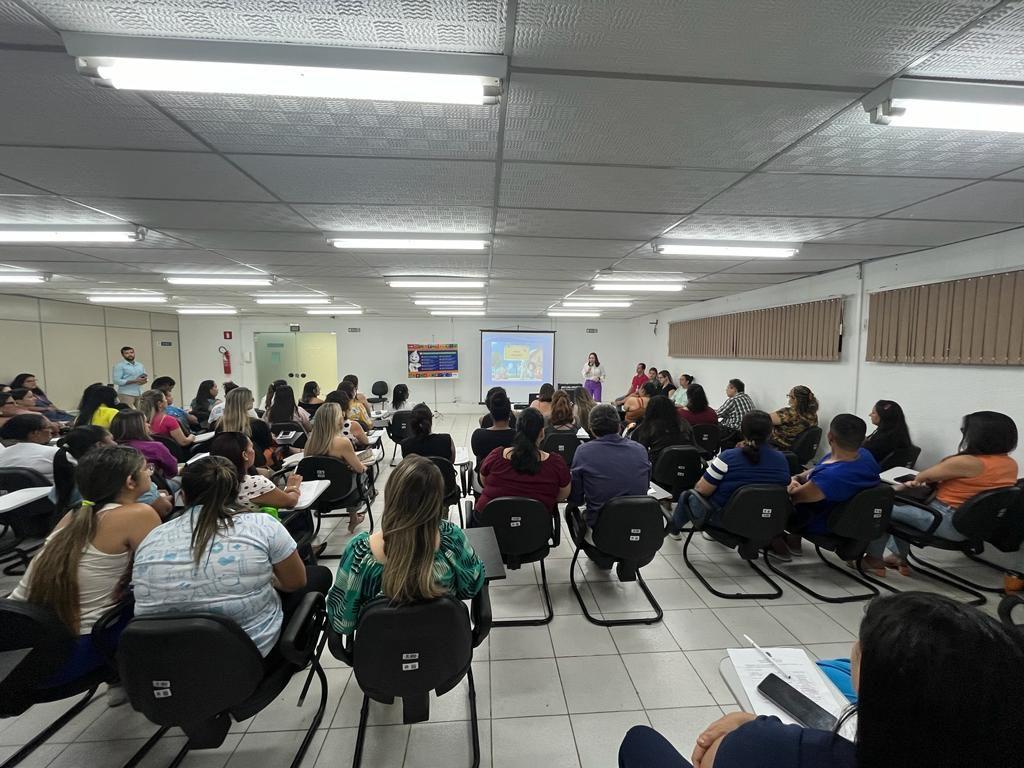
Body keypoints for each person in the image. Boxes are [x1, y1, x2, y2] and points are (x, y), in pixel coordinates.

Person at [617, 591, 1024, 768]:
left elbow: (709, 758)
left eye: (859, 651)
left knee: (639, 740)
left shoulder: (783, 750)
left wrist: (754, 729)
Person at [132, 456, 332, 660]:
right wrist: (268, 579)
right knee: (318, 575)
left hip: (165, 661)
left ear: (183, 495)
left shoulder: (152, 537)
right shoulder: (262, 525)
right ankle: (294, 654)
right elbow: (295, 582)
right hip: (245, 659)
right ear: (237, 492)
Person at [9, 447, 161, 691]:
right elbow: (160, 575)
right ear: (130, 481)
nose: (150, 473)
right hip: (74, 653)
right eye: (146, 469)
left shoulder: (73, 515)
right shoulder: (139, 514)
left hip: (20, 653)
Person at [327, 456, 484, 636]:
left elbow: (342, 622)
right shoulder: (452, 539)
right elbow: (471, 587)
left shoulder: (359, 555)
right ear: (437, 501)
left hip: (382, 652)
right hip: (443, 648)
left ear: (391, 495)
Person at [864, 411, 1018, 575]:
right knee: (901, 508)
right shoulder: (1010, 464)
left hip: (944, 520)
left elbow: (923, 476)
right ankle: (898, 557)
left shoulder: (967, 462)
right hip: (974, 526)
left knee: (879, 508)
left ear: (977, 436)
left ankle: (874, 559)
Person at [781, 414, 881, 560]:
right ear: (863, 438)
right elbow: (817, 470)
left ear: (830, 437)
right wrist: (797, 477)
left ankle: (775, 543)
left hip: (822, 523)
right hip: (849, 518)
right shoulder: (865, 456)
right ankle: (793, 542)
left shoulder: (830, 478)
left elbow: (794, 497)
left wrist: (790, 483)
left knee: (774, 498)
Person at [671, 410, 790, 532]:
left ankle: (673, 530)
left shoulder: (728, 457)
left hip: (724, 519)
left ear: (743, 432)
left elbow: (702, 490)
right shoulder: (782, 459)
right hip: (764, 520)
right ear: (771, 432)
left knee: (687, 495)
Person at [568, 404, 652, 577]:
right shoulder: (640, 450)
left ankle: (601, 557)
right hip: (641, 528)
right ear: (619, 426)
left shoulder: (584, 451)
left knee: (570, 511)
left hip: (603, 533)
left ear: (591, 429)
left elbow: (576, 497)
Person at [474, 407, 571, 521]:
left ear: (517, 430)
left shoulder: (496, 456)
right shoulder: (556, 464)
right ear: (542, 433)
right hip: (535, 526)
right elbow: (563, 495)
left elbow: (483, 481)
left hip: (489, 524)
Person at [209, 432, 303, 511]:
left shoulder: (210, 482)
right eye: (251, 447)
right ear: (245, 455)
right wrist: (292, 486)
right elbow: (291, 502)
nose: (254, 451)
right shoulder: (254, 484)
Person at [52, 425, 115, 513]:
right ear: (99, 445)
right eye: (112, 440)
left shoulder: (66, 473)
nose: (115, 443)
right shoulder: (101, 479)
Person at [109, 410, 180, 485]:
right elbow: (173, 470)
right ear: (136, 427)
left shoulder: (109, 450)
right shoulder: (155, 447)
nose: (149, 425)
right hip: (153, 486)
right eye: (145, 422)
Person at [217, 387, 275, 469]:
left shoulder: (219, 426)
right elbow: (268, 445)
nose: (253, 400)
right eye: (251, 398)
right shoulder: (258, 425)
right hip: (257, 467)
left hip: (228, 468)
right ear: (244, 402)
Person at [305, 402, 368, 476]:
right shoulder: (343, 442)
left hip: (318, 482)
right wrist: (363, 467)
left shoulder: (310, 442)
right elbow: (359, 469)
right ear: (338, 420)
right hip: (342, 482)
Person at [631, 395, 694, 466]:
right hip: (686, 465)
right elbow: (693, 444)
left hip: (658, 467)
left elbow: (639, 451)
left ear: (650, 410)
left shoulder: (648, 427)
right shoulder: (684, 423)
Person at [0, 414, 59, 481]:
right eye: (48, 428)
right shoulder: (54, 453)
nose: (51, 431)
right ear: (34, 433)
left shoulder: (2, 454)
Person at [471, 389, 516, 477]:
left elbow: (476, 453)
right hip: (511, 477)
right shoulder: (519, 436)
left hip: (485, 476)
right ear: (510, 414)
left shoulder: (478, 435)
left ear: (491, 415)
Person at [862, 400, 913, 469]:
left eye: (873, 413)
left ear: (884, 417)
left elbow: (863, 457)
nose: (870, 414)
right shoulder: (898, 433)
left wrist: (860, 443)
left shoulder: (883, 440)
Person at [770, 385, 819, 450]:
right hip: (793, 448)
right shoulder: (813, 416)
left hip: (777, 445)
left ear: (795, 399)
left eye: (789, 396)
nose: (789, 398)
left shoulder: (788, 414)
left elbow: (763, 419)